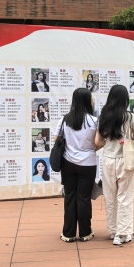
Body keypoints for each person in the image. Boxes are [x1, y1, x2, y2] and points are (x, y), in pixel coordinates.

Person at [95, 85, 134, 246]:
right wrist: (127, 140)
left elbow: (97, 141)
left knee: (110, 197)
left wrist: (109, 143)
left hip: (108, 160)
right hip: (125, 160)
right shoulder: (130, 117)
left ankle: (113, 230)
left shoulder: (103, 117)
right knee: (125, 196)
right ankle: (123, 233)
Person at [55, 88, 98, 243]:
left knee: (69, 197)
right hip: (88, 164)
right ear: (87, 101)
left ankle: (68, 233)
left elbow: (56, 140)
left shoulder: (64, 119)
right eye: (91, 98)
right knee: (84, 198)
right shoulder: (94, 121)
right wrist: (89, 150)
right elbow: (99, 142)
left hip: (67, 163)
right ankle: (85, 232)